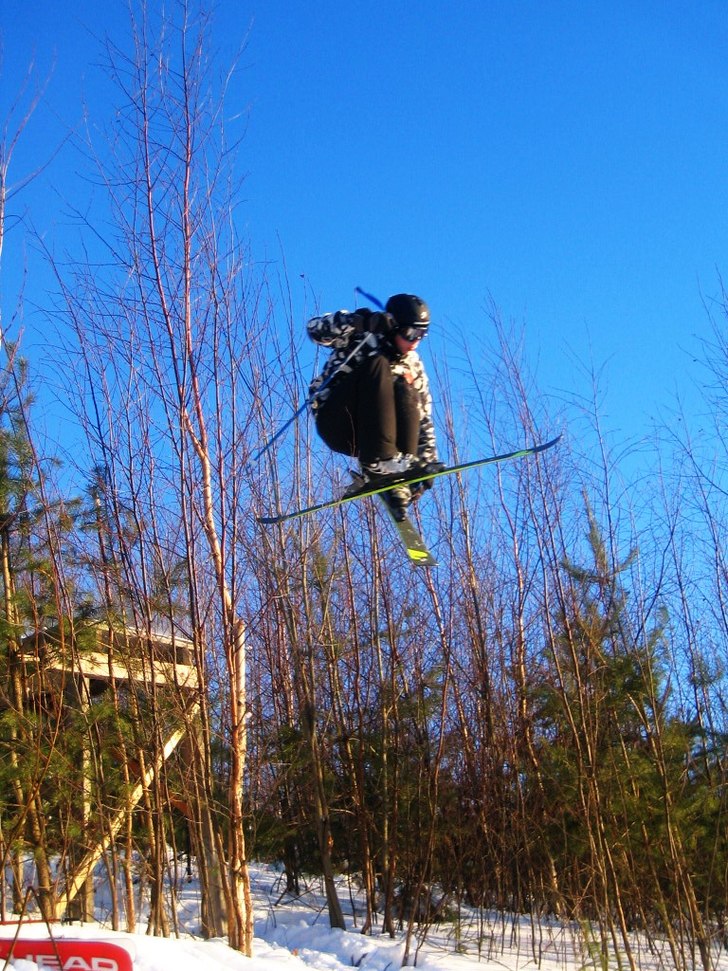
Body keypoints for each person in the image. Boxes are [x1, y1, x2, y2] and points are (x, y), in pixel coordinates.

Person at [307, 293, 441, 517]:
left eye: (421, 334)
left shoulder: (413, 364)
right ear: (393, 325)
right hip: (338, 420)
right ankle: (379, 461)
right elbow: (315, 330)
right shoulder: (364, 336)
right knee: (379, 364)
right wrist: (358, 322)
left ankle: (395, 478)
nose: (414, 341)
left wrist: (425, 465)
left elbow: (424, 418)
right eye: (410, 333)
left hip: (372, 436)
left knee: (407, 387)